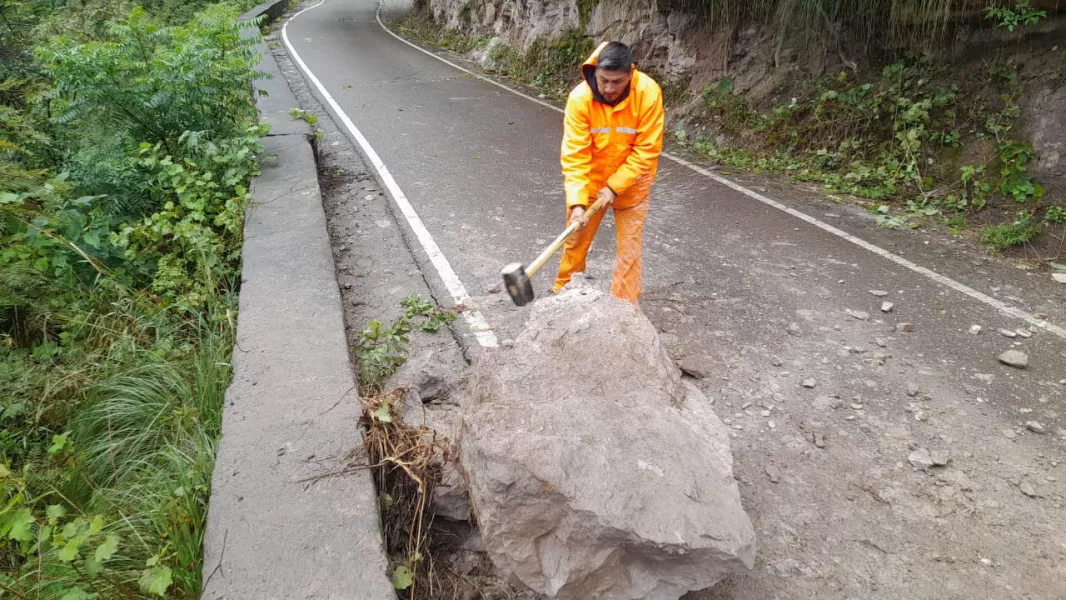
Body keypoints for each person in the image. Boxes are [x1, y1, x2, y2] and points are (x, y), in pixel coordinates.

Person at [553, 40, 665, 306]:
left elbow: (647, 149)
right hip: (591, 185)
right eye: (604, 80)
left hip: (632, 187)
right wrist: (578, 203)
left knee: (629, 252)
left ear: (630, 74)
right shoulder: (580, 99)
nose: (609, 88)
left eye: (617, 82)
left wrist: (615, 187)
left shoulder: (648, 93)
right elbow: (575, 155)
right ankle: (563, 297)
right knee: (575, 242)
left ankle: (624, 309)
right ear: (595, 72)